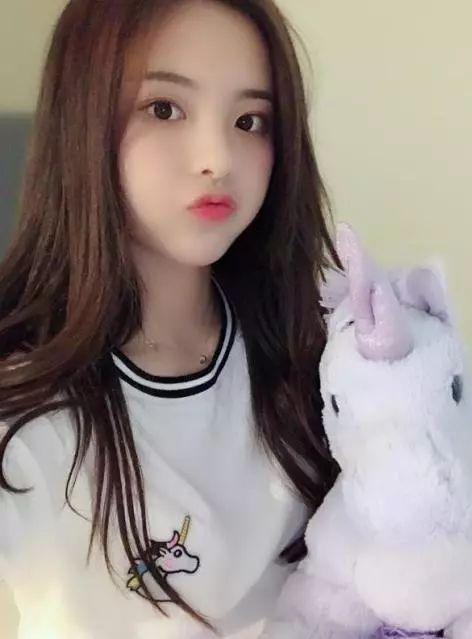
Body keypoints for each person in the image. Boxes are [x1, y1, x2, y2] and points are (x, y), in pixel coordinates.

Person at [0, 0, 342, 637]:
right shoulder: (27, 399)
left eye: (249, 120)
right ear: (82, 121)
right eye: (164, 109)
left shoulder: (316, 343)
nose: (218, 157)